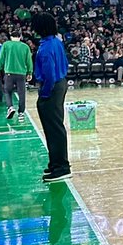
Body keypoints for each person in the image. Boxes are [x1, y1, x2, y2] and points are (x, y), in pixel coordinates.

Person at [32, 13, 71, 183]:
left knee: (54, 128)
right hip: (60, 84)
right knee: (54, 127)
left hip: (52, 87)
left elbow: (49, 73)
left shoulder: (46, 47)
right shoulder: (56, 42)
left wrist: (44, 93)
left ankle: (62, 167)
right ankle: (56, 163)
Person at [0, 29, 33, 123]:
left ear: (11, 37)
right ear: (20, 37)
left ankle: (10, 107)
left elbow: (1, 58)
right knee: (22, 93)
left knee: (7, 91)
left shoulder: (6, 45)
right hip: (21, 74)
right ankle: (21, 113)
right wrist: (30, 72)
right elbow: (29, 61)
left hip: (9, 73)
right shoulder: (25, 47)